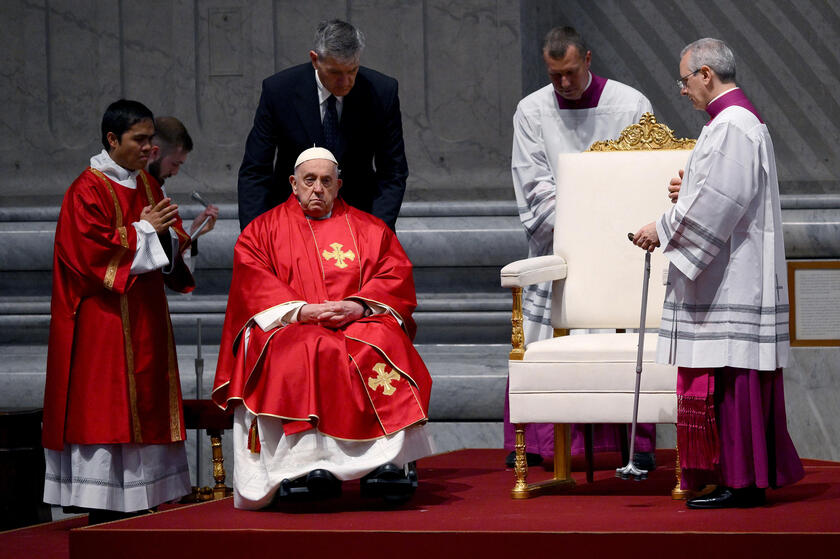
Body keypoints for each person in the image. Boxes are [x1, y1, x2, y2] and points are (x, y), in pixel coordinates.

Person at [632, 38, 804, 508]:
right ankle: (735, 477)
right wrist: (687, 187)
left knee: (733, 381)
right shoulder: (728, 124)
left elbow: (719, 206)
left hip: (733, 276)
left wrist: (662, 228)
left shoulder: (733, 125)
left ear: (706, 74)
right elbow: (718, 190)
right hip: (728, 269)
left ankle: (743, 483)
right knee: (728, 378)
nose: (682, 90)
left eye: (685, 80)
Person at [213, 147, 432, 509]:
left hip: (357, 322)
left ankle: (385, 463)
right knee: (305, 347)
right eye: (309, 180)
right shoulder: (262, 230)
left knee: (384, 337)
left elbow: (395, 275)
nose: (318, 188)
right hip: (292, 324)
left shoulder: (369, 229)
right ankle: (303, 467)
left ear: (339, 185)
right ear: (293, 184)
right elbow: (251, 284)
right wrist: (302, 311)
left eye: (326, 181)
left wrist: (357, 305)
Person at [506, 26, 656, 468]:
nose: (565, 84)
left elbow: (641, 178)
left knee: (624, 342)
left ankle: (632, 447)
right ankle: (548, 448)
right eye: (555, 76)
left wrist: (606, 230)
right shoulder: (531, 112)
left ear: (588, 59)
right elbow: (533, 187)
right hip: (562, 256)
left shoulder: (631, 106)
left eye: (571, 72)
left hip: (620, 254)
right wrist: (589, 229)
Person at [42, 100, 198, 524]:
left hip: (145, 314)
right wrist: (145, 229)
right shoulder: (86, 189)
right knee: (107, 406)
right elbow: (88, 254)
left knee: (145, 400)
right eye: (140, 140)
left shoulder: (148, 186)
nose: (150, 149)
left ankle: (143, 499)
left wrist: (179, 238)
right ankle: (102, 504)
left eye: (151, 140)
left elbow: (169, 235)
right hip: (103, 321)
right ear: (112, 140)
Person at [237, 19, 408, 231]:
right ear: (315, 60)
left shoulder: (382, 92)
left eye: (352, 71)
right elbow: (255, 171)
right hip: (291, 223)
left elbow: (393, 172)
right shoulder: (280, 91)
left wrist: (378, 231)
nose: (345, 82)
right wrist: (256, 236)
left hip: (359, 220)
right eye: (335, 72)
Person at [147, 116, 219, 258]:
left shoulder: (157, 185)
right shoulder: (128, 187)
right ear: (154, 152)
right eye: (174, 164)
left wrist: (193, 232)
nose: (175, 172)